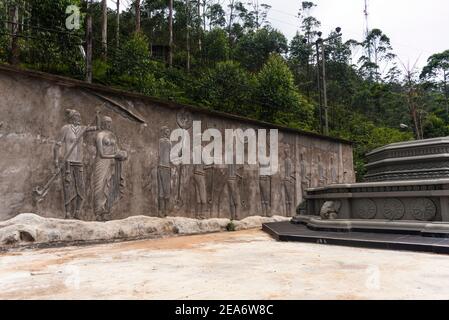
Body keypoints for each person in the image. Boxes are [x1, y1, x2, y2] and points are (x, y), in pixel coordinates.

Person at [54, 109, 97, 219]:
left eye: (79, 116)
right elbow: (57, 145)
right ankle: (68, 213)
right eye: (77, 116)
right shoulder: (66, 128)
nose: (79, 118)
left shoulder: (82, 129)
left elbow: (97, 127)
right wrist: (56, 160)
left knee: (81, 188)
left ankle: (77, 212)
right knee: (68, 187)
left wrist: (97, 114)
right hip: (68, 162)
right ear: (72, 118)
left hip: (79, 163)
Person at [93, 116, 128, 221]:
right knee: (100, 187)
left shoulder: (112, 135)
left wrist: (122, 153)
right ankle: (98, 212)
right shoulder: (100, 135)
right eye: (107, 122)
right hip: (102, 163)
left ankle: (106, 210)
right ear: (103, 123)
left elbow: (116, 149)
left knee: (110, 186)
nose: (109, 124)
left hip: (112, 164)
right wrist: (115, 156)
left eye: (110, 122)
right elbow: (101, 154)